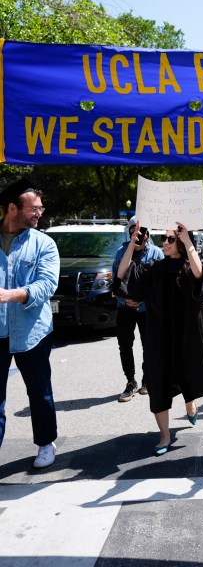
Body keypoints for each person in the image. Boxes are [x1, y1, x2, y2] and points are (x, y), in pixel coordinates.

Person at [117, 222, 203, 456]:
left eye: (171, 239)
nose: (166, 242)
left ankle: (190, 401)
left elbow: (200, 275)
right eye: (165, 238)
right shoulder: (154, 268)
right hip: (158, 335)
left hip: (186, 335)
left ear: (181, 242)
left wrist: (189, 242)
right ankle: (164, 435)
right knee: (158, 382)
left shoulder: (190, 266)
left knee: (187, 373)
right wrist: (132, 245)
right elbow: (122, 275)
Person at [0, 179, 60, 468]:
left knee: (40, 392)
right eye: (33, 208)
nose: (39, 214)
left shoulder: (44, 243)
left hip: (32, 333)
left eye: (41, 208)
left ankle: (46, 443)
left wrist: (12, 295)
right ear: (13, 208)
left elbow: (47, 285)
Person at [112, 217, 163, 401]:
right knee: (125, 345)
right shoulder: (121, 252)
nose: (139, 234)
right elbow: (115, 283)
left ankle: (147, 379)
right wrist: (124, 301)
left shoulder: (157, 253)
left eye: (142, 231)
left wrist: (142, 303)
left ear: (148, 234)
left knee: (148, 345)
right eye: (135, 230)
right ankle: (130, 381)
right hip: (124, 308)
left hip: (147, 310)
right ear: (129, 231)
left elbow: (161, 285)